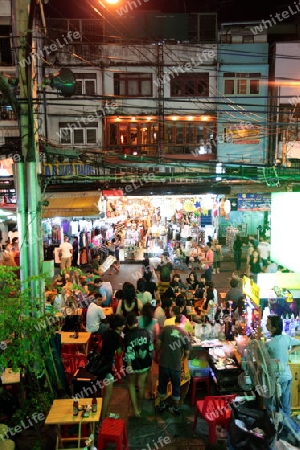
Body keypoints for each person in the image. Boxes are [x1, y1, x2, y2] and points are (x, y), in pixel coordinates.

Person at [157, 306, 190, 416]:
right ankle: (176, 408)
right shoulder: (184, 334)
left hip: (164, 363)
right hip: (176, 365)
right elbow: (187, 353)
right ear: (182, 323)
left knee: (162, 384)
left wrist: (159, 352)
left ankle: (162, 405)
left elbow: (158, 342)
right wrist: (182, 360)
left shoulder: (166, 329)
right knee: (176, 386)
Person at [265, 315, 300, 418]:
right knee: (286, 404)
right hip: (287, 377)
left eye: (268, 324)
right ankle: (287, 426)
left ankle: (273, 424)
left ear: (274, 328)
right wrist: (290, 351)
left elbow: (262, 359)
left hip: (276, 379)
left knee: (271, 404)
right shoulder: (286, 338)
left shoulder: (269, 344)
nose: (266, 325)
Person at [124, 313, 154, 416]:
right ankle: (140, 406)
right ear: (137, 323)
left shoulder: (128, 336)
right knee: (141, 386)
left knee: (131, 385)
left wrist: (129, 366)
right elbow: (150, 349)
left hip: (133, 365)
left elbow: (129, 353)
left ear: (128, 325)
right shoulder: (145, 332)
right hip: (145, 364)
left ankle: (135, 409)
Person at [99, 314, 126, 420]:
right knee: (108, 395)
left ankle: (105, 414)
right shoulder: (117, 338)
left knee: (104, 393)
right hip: (107, 368)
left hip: (101, 365)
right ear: (118, 326)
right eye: (122, 325)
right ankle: (101, 421)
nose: (123, 326)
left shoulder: (105, 333)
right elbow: (119, 353)